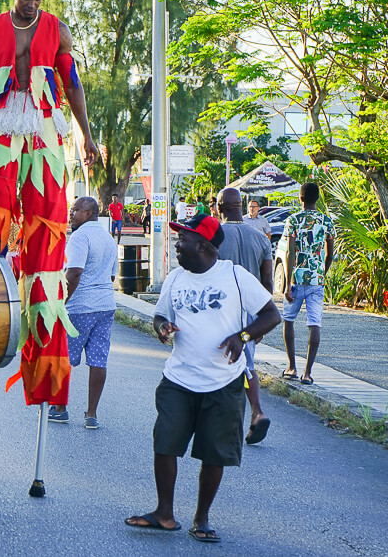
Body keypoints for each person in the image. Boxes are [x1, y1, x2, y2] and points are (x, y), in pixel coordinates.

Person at [0, 0, 98, 409]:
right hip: (0, 129)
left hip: (43, 131)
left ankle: (45, 368)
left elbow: (72, 85)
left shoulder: (59, 30)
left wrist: (87, 136)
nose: (33, 4)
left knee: (48, 222)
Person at [125, 214, 280, 542]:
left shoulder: (235, 277)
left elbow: (271, 314)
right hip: (178, 379)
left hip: (224, 383)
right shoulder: (176, 278)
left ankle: (202, 518)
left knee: (214, 452)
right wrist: (162, 328)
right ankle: (164, 513)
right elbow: (160, 315)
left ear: (204, 245)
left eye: (183, 239)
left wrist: (243, 336)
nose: (177, 245)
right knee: (165, 443)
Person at [50, 197, 117, 428]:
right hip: (106, 306)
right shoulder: (108, 238)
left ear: (88, 213)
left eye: (75, 210)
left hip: (80, 307)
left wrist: (61, 302)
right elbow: (111, 277)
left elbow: (74, 273)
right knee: (99, 360)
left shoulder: (80, 236)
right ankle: (91, 414)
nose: (71, 215)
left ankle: (60, 409)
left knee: (64, 359)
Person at [216, 187, 274, 445]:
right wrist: (260, 323)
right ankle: (256, 411)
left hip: (222, 310)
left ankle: (227, 420)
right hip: (252, 314)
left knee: (219, 365)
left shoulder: (216, 236)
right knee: (247, 366)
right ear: (242, 206)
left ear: (219, 207)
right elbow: (268, 282)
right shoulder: (260, 237)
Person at [280, 182, 335, 385]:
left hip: (295, 278)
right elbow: (330, 254)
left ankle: (292, 367)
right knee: (314, 324)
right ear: (317, 199)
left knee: (288, 320)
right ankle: (308, 373)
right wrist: (322, 273)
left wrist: (287, 283)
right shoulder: (327, 221)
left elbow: (289, 251)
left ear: (300, 199)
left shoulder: (293, 220)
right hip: (316, 281)